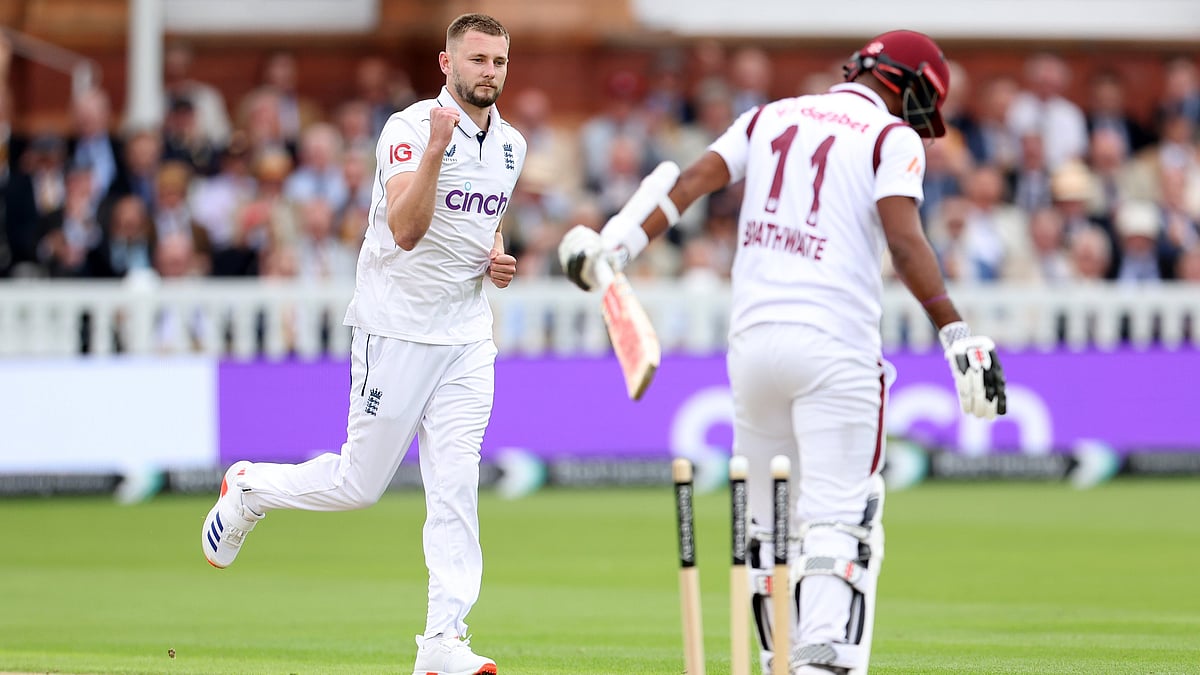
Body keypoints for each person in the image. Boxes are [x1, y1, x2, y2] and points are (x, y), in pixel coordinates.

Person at [559, 30, 1006, 675]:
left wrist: (616, 246)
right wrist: (957, 334)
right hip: (834, 347)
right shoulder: (890, 138)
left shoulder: (770, 116)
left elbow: (686, 185)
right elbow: (906, 243)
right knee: (839, 516)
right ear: (905, 87)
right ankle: (821, 663)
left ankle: (776, 660)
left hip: (753, 347)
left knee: (768, 522)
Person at [201, 13, 523, 675]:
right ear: (447, 64)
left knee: (456, 486)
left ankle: (442, 641)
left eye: (498, 60)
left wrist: (495, 257)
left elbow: (481, 221)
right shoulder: (409, 130)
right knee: (359, 484)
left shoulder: (513, 144)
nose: (489, 71)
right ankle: (251, 488)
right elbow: (405, 230)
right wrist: (438, 149)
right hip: (395, 328)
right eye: (478, 59)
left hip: (465, 335)